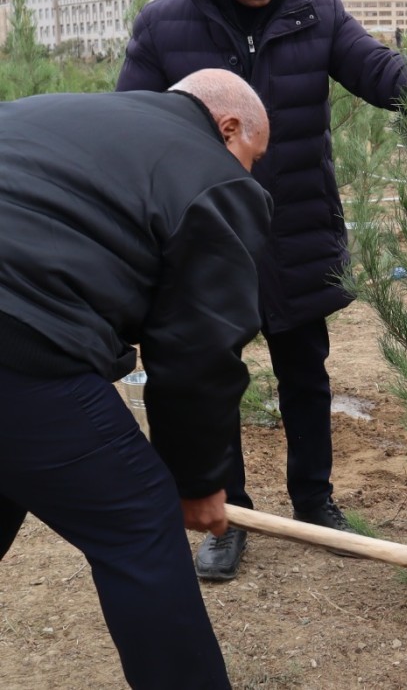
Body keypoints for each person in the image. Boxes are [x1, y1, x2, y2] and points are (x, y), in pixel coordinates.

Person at [117, 0, 407, 582]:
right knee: (215, 378)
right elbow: (131, 126)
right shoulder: (165, 28)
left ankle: (315, 501)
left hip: (296, 226)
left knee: (305, 372)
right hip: (205, 242)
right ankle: (232, 515)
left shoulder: (318, 14)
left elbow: (378, 72)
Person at [0, 70, 271, 689]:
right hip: (16, 337)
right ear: (229, 128)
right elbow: (198, 351)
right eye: (254, 158)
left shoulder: (55, 110)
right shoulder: (210, 172)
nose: (249, 176)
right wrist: (197, 482)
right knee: (137, 524)